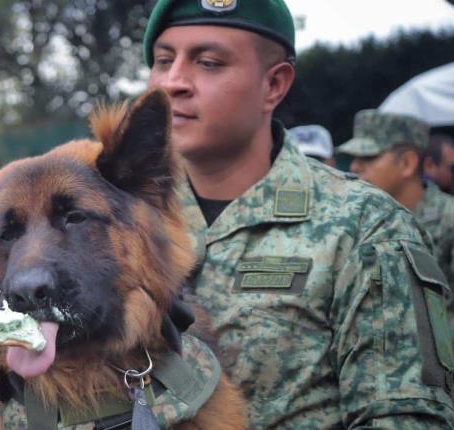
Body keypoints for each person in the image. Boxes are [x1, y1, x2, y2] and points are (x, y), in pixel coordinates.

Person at [143, 0, 454, 427]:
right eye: (163, 61)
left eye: (209, 62)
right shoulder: (119, 220)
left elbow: (404, 417)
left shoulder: (365, 226)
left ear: (274, 85)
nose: (173, 82)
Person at [339, 110, 454, 286]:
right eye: (355, 158)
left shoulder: (449, 218)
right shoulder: (350, 216)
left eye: (368, 157)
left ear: (407, 163)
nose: (355, 166)